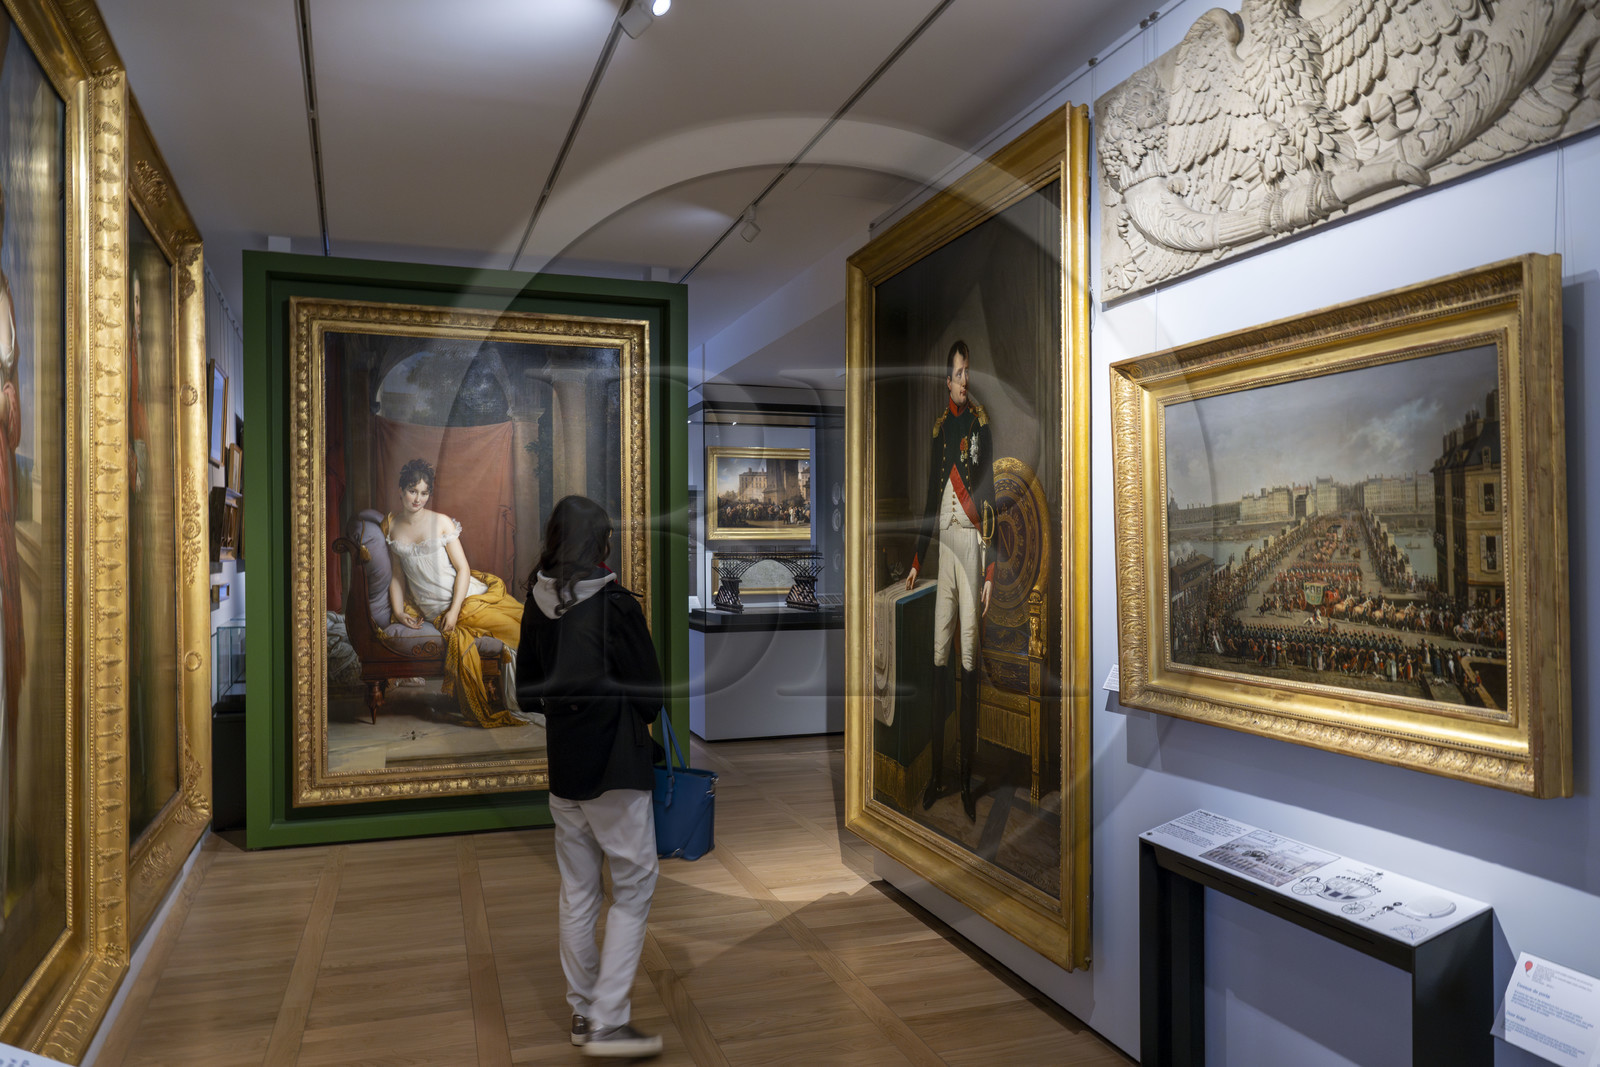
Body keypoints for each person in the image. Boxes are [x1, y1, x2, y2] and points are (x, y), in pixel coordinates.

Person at [516, 495, 665, 1059]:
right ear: (600, 542)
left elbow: (528, 690)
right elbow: (650, 690)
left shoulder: (535, 600)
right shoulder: (616, 603)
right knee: (635, 885)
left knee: (578, 891)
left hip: (565, 766)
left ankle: (583, 1011)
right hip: (615, 767)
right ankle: (606, 1021)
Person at [905, 340, 995, 822]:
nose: (963, 382)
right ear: (947, 381)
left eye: (967, 373)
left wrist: (992, 569)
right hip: (942, 550)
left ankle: (964, 777)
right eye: (957, 374)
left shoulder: (979, 424)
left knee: (966, 657)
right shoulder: (941, 429)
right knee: (938, 656)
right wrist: (918, 558)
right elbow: (927, 497)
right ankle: (938, 773)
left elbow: (993, 494)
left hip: (971, 548)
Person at [384, 458, 525, 728]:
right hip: (434, 609)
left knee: (519, 628)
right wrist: (399, 611)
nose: (418, 499)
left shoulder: (442, 522)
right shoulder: (391, 525)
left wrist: (454, 610)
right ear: (401, 490)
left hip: (467, 598)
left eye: (424, 493)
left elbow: (463, 569)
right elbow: (397, 576)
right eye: (413, 491)